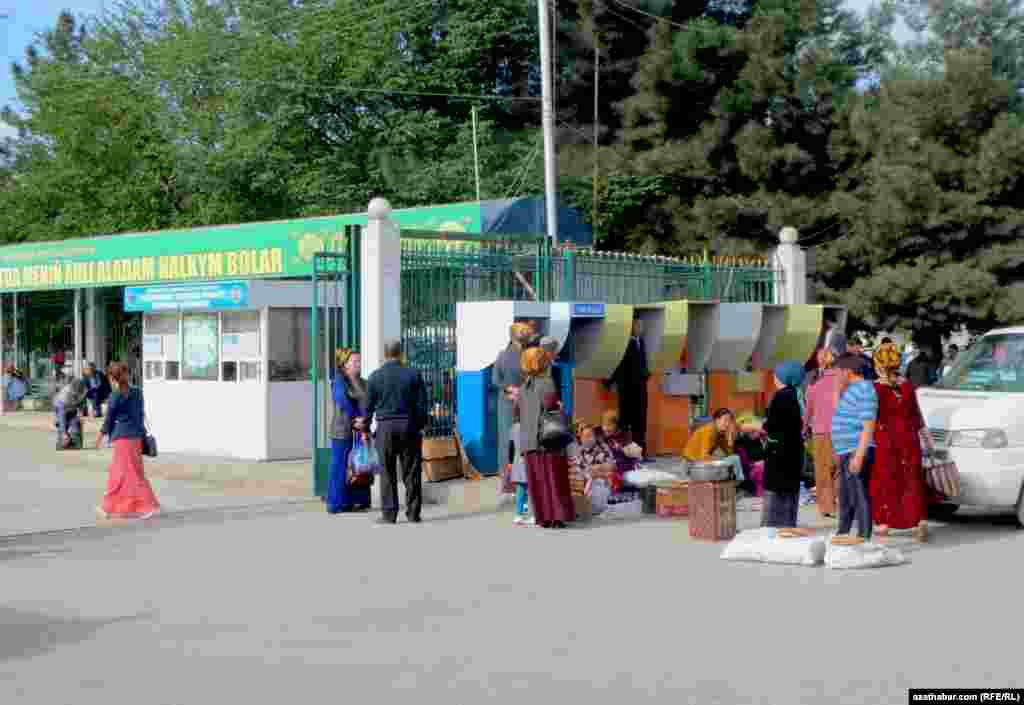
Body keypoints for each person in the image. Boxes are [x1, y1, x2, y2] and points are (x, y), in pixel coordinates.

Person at [365, 340, 430, 524]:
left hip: (385, 428)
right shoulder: (413, 374)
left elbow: (368, 408)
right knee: (411, 472)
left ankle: (389, 514)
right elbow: (422, 404)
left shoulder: (375, 377)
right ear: (401, 353)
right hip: (408, 426)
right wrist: (420, 426)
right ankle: (413, 513)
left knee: (387, 472)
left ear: (385, 354)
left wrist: (366, 429)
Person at [871, 343, 930, 542]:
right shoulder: (907, 386)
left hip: (885, 441)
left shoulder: (875, 388)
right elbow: (917, 416)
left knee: (885, 480)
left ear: (878, 364)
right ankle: (919, 522)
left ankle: (884, 523)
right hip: (909, 439)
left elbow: (869, 419)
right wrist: (928, 442)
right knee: (912, 480)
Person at [517, 346, 575, 529]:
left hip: (529, 440)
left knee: (538, 481)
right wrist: (560, 404)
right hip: (547, 438)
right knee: (553, 477)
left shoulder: (524, 385)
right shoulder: (547, 382)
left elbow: (518, 412)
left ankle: (543, 517)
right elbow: (551, 405)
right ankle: (557, 516)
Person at [95, 362, 160, 520]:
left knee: (127, 474)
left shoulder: (115, 396)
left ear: (112, 378)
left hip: (123, 439)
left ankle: (148, 505)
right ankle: (110, 507)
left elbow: (109, 419)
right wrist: (142, 434)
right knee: (126, 473)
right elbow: (140, 415)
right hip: (136, 437)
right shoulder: (138, 392)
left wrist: (99, 437)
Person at [831, 353, 878, 541]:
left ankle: (863, 535)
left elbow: (868, 425)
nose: (836, 376)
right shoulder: (852, 389)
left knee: (859, 495)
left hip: (856, 449)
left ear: (847, 371)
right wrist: (837, 390)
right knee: (846, 495)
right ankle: (843, 532)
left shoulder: (865, 389)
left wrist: (859, 455)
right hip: (846, 450)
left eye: (837, 372)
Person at [804, 334, 847, 519]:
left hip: (821, 433)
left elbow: (808, 413)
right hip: (842, 432)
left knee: (823, 471)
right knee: (839, 470)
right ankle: (840, 503)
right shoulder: (845, 381)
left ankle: (827, 507)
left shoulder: (814, 386)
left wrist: (804, 430)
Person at [760, 362, 807, 528]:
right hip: (793, 450)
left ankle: (774, 526)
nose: (774, 378)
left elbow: (773, 425)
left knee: (777, 490)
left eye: (776, 375)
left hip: (780, 452)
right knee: (790, 491)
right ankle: (788, 525)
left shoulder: (781, 396)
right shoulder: (795, 394)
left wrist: (761, 427)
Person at [326, 348, 371, 514]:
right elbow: (343, 402)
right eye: (355, 361)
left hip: (360, 430)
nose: (358, 364)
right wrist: (355, 419)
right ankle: (336, 503)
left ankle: (358, 501)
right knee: (339, 466)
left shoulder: (363, 382)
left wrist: (365, 420)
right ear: (344, 364)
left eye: (359, 361)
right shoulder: (339, 381)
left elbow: (369, 403)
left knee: (361, 465)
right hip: (342, 430)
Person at [606, 315, 652, 461]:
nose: (640, 329)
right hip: (627, 390)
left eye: (641, 326)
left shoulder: (641, 342)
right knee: (625, 422)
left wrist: (646, 374)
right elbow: (618, 366)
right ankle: (626, 453)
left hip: (641, 389)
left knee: (641, 422)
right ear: (631, 327)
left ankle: (640, 452)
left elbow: (643, 363)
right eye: (637, 326)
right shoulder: (625, 344)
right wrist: (610, 382)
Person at [492, 323, 531, 472]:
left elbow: (495, 380)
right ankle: (520, 472)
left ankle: (505, 472)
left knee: (506, 437)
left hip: (506, 401)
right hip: (525, 401)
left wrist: (508, 389)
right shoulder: (529, 355)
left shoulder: (502, 355)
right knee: (521, 438)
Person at [683, 408, 747, 484]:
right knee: (724, 463)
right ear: (717, 420)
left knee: (735, 458)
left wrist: (729, 437)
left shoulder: (720, 433)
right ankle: (736, 483)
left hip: (703, 463)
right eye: (725, 420)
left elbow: (728, 453)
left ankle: (738, 483)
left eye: (729, 421)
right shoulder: (707, 431)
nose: (727, 424)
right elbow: (703, 456)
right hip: (693, 465)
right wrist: (719, 462)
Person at [569, 422, 620, 513]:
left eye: (590, 436)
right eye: (585, 436)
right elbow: (575, 468)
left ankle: (589, 508)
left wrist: (597, 470)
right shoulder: (579, 451)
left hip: (601, 484)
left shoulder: (603, 448)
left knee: (595, 484)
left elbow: (612, 467)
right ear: (580, 438)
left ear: (595, 437)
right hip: (584, 485)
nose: (588, 439)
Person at [54, 378, 88, 450]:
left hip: (73, 408)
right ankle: (63, 440)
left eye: (78, 392)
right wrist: (64, 433)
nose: (76, 394)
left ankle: (76, 442)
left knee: (76, 423)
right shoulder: (64, 395)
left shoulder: (83, 390)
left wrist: (80, 415)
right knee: (63, 425)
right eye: (75, 392)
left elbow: (82, 403)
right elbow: (61, 415)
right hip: (61, 408)